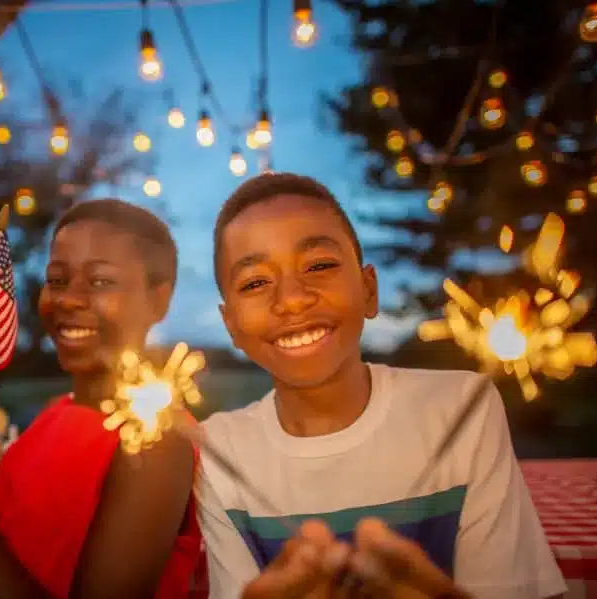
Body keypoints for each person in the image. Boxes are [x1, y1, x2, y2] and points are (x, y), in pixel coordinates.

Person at [197, 173, 566, 599]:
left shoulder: (463, 406)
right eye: (255, 283)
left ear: (369, 290)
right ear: (231, 327)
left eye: (319, 265)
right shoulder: (219, 452)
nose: (293, 299)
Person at [0, 199, 204, 599]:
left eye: (101, 281)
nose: (67, 300)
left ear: (158, 300)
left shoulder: (155, 443)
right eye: (56, 280)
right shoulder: (59, 412)